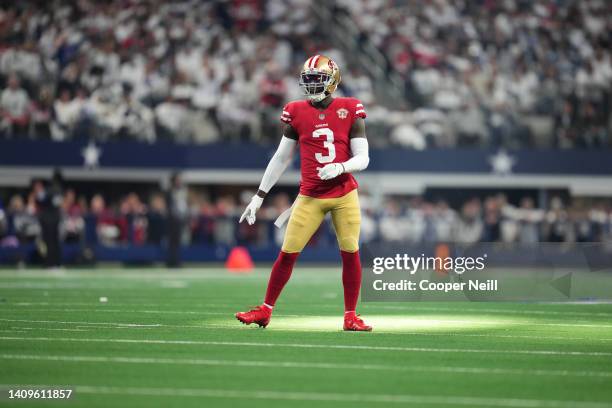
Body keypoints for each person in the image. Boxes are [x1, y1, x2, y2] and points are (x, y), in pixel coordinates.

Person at [235, 55, 372, 331]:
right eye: (307, 80)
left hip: (344, 193)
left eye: (316, 80)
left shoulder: (350, 108)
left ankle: (350, 316)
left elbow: (364, 158)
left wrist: (340, 167)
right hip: (310, 196)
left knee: (350, 251)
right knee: (287, 253)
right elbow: (281, 158)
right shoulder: (296, 111)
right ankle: (265, 310)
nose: (310, 86)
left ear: (332, 81)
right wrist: (259, 196)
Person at [165, 172, 187, 268]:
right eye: (178, 180)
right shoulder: (170, 192)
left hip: (179, 219)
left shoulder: (181, 191)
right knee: (172, 241)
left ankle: (176, 260)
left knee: (177, 241)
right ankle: (171, 261)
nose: (179, 182)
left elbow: (183, 206)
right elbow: (170, 207)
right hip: (172, 220)